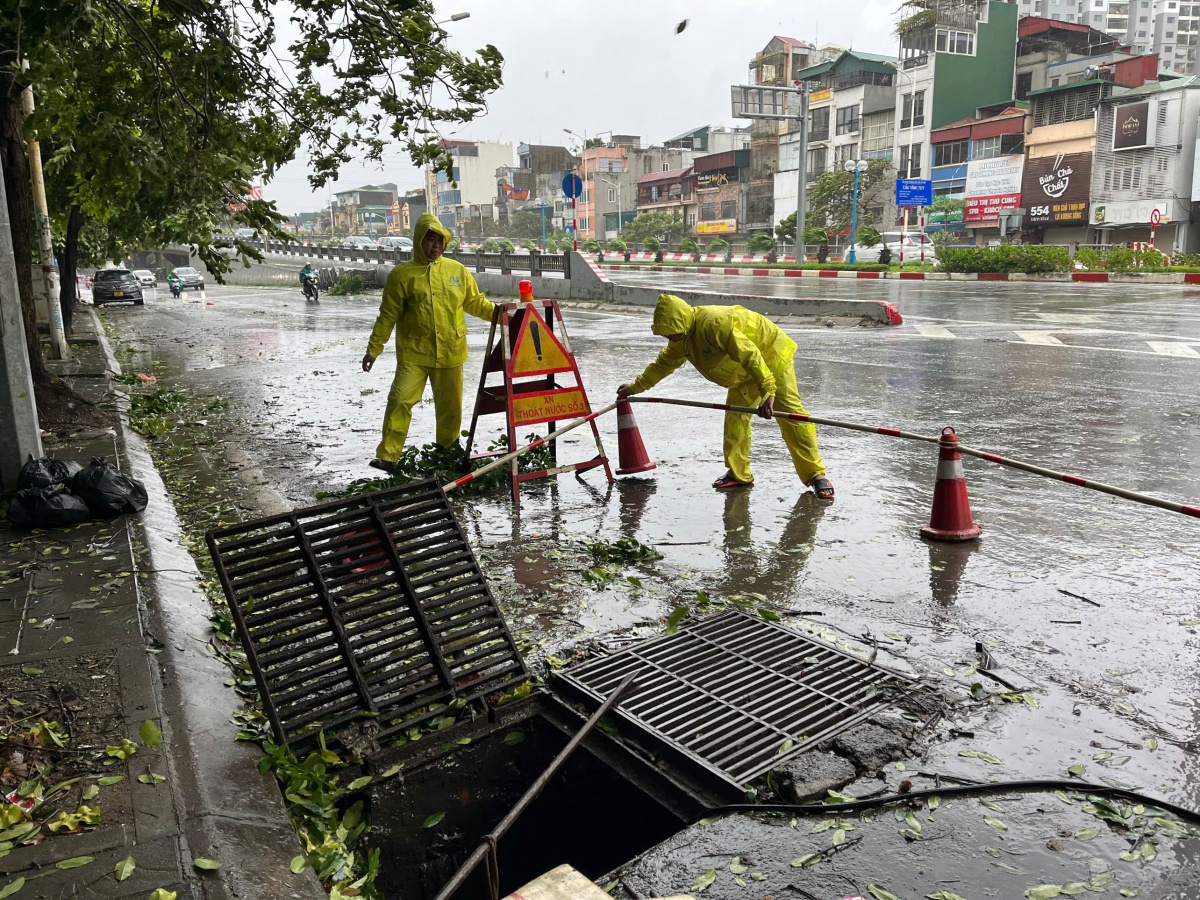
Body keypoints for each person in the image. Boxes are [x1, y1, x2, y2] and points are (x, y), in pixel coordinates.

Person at [617, 293, 834, 500]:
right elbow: (662, 365)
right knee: (735, 420)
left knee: (790, 416)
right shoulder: (681, 339)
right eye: (665, 333)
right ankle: (739, 475)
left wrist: (768, 390)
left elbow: (749, 354)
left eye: (670, 332)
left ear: (682, 322)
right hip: (743, 372)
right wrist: (635, 387)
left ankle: (816, 475)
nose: (668, 337)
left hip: (771, 355)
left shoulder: (714, 324)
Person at [361, 213, 495, 473]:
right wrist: (373, 349)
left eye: (440, 241)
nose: (435, 246)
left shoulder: (456, 271)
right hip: (414, 354)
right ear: (418, 241)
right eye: (430, 240)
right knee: (400, 400)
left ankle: (445, 456)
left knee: (451, 410)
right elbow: (388, 316)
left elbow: (476, 303)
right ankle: (388, 456)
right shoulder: (402, 275)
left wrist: (504, 316)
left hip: (451, 352)